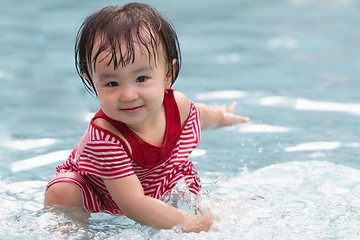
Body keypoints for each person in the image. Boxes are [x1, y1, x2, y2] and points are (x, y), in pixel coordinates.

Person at [44, 2, 249, 233]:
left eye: (141, 78)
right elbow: (133, 205)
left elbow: (201, 115)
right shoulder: (105, 138)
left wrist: (223, 117)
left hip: (159, 183)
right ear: (92, 83)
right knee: (62, 192)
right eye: (112, 83)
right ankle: (74, 232)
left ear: (167, 75)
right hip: (102, 192)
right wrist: (194, 225)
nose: (128, 95)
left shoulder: (177, 106)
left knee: (188, 190)